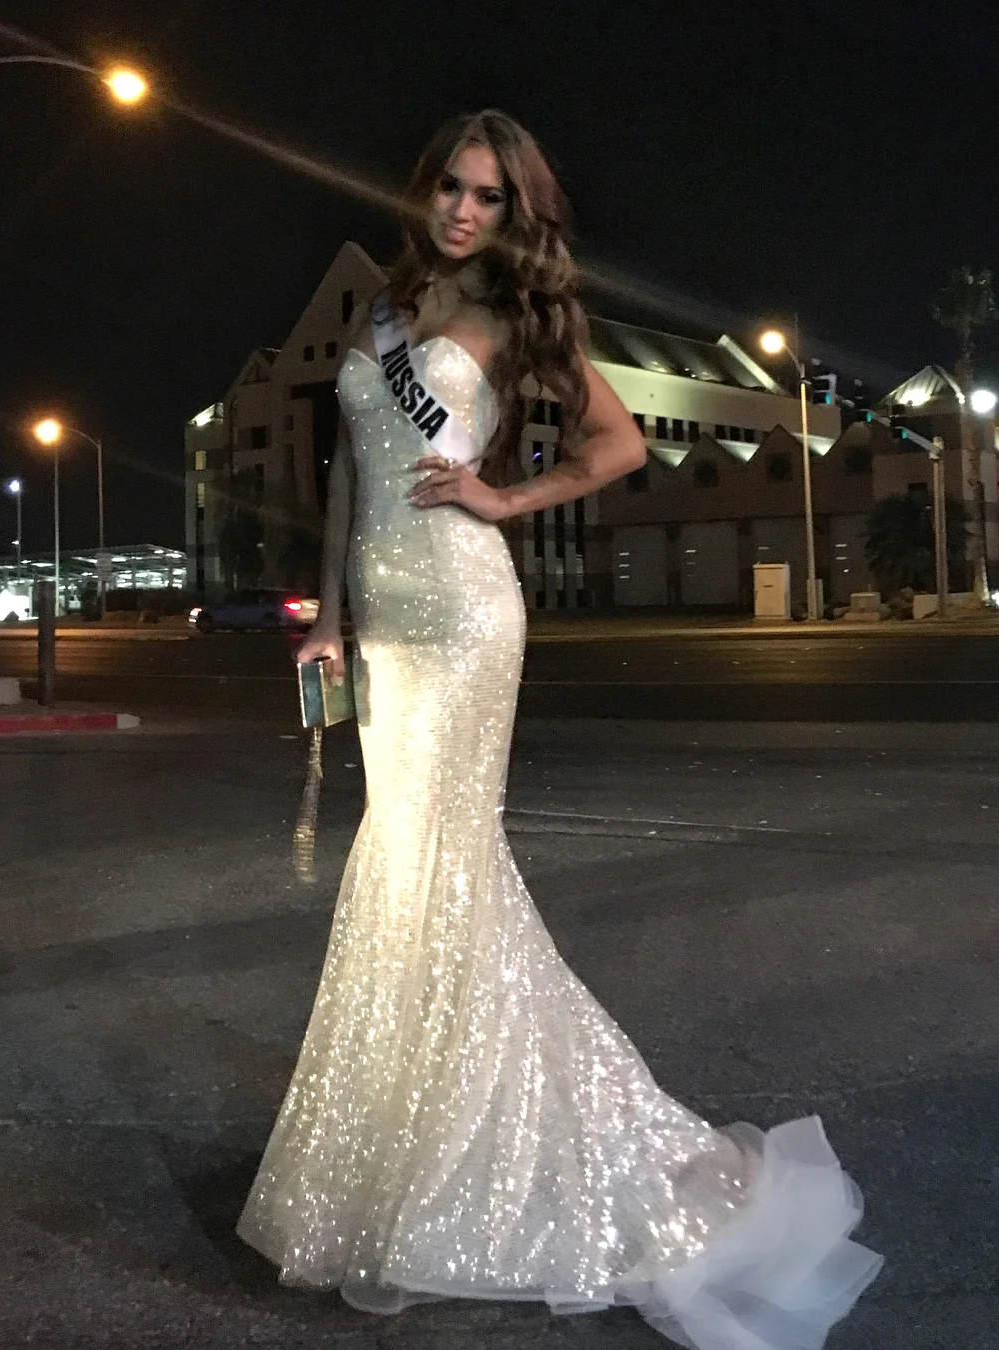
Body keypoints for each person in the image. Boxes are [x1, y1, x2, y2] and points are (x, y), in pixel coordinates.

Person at [238, 110, 882, 1348]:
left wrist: (504, 497)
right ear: (425, 190)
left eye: (488, 196)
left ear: (512, 212)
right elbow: (348, 471)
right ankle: (407, 1140)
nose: (463, 211)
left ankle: (475, 1153)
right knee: (404, 865)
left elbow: (621, 443)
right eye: (450, 187)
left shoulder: (516, 317)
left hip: (468, 613)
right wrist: (327, 615)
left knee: (442, 861)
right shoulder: (383, 313)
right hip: (385, 621)